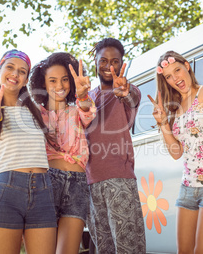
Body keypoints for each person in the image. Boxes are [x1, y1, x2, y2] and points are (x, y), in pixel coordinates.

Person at [148, 35, 203, 253]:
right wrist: (163, 125)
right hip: (188, 187)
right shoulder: (176, 108)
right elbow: (177, 153)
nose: (175, 78)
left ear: (187, 66)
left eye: (177, 71)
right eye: (168, 77)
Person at [0, 49, 57, 254]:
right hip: (6, 191)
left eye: (22, 71)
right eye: (9, 67)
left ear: (26, 79)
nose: (15, 74)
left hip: (43, 191)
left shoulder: (36, 113)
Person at [29, 52, 96, 254]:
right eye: (53, 80)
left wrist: (83, 95)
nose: (60, 86)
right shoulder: (35, 113)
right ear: (43, 83)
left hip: (77, 184)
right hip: (46, 182)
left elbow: (89, 112)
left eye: (65, 79)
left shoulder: (77, 110)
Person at [85, 38, 146, 253]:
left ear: (122, 64)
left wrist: (125, 91)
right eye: (103, 60)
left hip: (120, 181)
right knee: (104, 249)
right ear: (95, 61)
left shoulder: (126, 91)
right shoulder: (88, 98)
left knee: (129, 248)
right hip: (90, 184)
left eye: (115, 61)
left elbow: (132, 97)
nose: (109, 66)